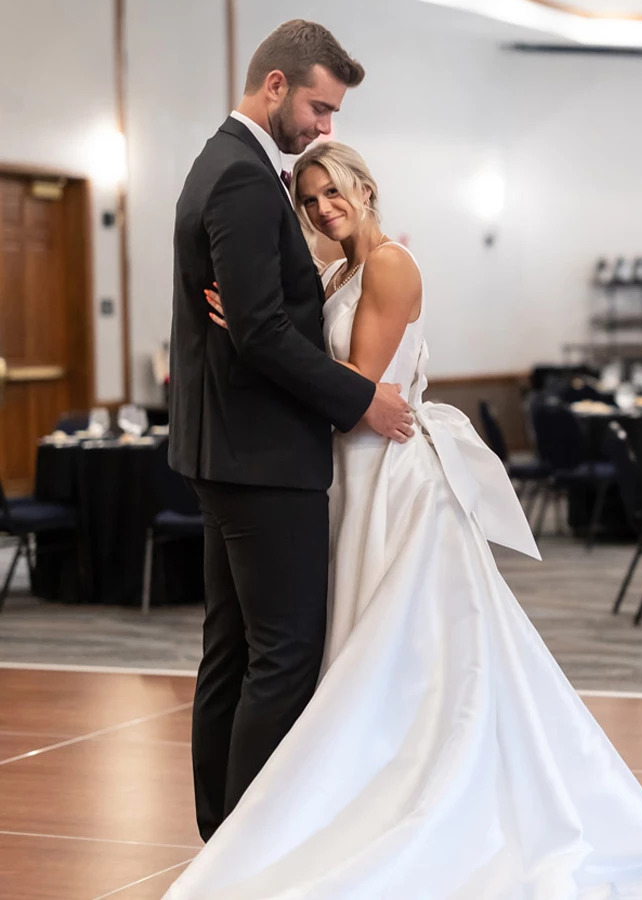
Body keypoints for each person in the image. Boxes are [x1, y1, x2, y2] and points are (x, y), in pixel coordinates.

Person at [165, 139, 642, 899]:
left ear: (366, 187)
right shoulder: (332, 273)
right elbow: (318, 372)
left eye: (334, 191)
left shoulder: (391, 264)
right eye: (311, 199)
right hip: (345, 477)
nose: (324, 207)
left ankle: (433, 801)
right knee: (356, 652)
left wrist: (254, 340)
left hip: (392, 478)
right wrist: (252, 334)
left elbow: (356, 390)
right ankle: (342, 804)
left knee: (414, 656)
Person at [169, 19, 413, 843]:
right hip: (264, 457)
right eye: (319, 106)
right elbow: (267, 332)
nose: (324, 127)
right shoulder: (240, 177)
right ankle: (248, 847)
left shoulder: (225, 165)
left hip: (230, 449)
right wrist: (360, 400)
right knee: (282, 656)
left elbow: (260, 321)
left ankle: (220, 837)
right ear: (276, 86)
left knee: (233, 652)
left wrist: (257, 322)